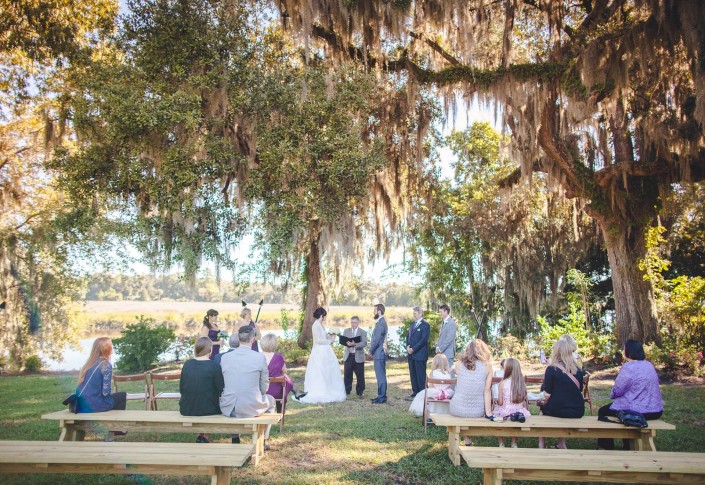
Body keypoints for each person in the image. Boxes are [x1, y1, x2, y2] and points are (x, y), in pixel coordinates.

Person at [597, 340, 663, 450]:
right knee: (624, 411)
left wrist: (613, 395)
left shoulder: (628, 367)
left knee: (604, 411)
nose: (623, 351)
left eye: (624, 349)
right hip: (655, 411)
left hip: (638, 411)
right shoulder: (649, 365)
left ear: (628, 352)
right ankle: (628, 445)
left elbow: (618, 389)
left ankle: (605, 447)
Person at [220, 326, 276, 449]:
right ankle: (264, 439)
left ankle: (235, 437)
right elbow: (264, 384)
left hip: (229, 406)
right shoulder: (259, 357)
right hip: (251, 406)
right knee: (271, 401)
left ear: (238, 338)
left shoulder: (224, 357)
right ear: (252, 339)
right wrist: (260, 394)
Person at [538, 339, 586, 449]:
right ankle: (561, 443)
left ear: (556, 352)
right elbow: (580, 390)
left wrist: (544, 402)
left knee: (542, 412)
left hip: (558, 408)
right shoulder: (578, 370)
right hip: (577, 410)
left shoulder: (551, 369)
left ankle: (541, 444)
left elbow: (547, 394)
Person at [179, 337, 225, 443]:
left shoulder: (187, 364)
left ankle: (201, 435)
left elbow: (182, 388)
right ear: (210, 349)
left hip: (187, 408)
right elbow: (221, 388)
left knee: (202, 401)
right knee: (210, 404)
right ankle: (205, 436)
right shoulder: (215, 366)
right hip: (210, 409)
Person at [298, 307, 347, 404]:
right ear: (321, 315)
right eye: (324, 315)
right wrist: (329, 341)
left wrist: (331, 336)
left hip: (324, 351)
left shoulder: (321, 324)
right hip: (319, 352)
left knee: (327, 371)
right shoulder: (315, 325)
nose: (325, 317)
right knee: (320, 371)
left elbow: (323, 337)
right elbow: (318, 340)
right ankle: (320, 391)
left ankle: (328, 388)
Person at [449, 339, 493, 445]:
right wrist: (488, 413)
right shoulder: (488, 366)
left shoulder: (459, 364)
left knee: (462, 398)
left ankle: (462, 439)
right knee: (470, 410)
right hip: (477, 411)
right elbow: (487, 390)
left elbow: (454, 372)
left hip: (457, 408)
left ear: (467, 350)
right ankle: (468, 439)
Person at [76, 337, 127, 414]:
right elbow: (105, 393)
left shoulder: (88, 364)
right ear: (107, 349)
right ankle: (115, 424)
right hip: (94, 406)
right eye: (111, 346)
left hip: (79, 405)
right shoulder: (106, 365)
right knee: (121, 396)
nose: (112, 350)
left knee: (114, 398)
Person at [492, 358, 531, 448]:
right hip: (519, 410)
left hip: (505, 410)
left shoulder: (502, 383)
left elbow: (501, 402)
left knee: (498, 418)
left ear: (507, 369)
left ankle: (501, 443)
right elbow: (524, 399)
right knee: (515, 424)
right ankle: (514, 443)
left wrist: (498, 403)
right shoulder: (522, 383)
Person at [259, 333, 307, 405]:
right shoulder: (279, 357)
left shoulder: (257, 357)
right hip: (275, 391)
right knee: (284, 377)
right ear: (275, 344)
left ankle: (296, 391)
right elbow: (284, 371)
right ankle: (296, 392)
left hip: (259, 390)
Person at [406, 306, 430, 401]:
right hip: (411, 354)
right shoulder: (412, 325)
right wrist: (408, 347)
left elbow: (423, 340)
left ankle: (422, 393)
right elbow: (408, 337)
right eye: (413, 313)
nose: (413, 315)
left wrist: (414, 349)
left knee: (420, 374)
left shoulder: (425, 325)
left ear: (420, 314)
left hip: (420, 354)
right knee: (413, 374)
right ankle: (415, 391)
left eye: (415, 313)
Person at [342, 316, 368, 397]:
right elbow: (343, 341)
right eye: (352, 322)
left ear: (358, 323)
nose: (353, 324)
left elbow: (364, 343)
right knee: (347, 375)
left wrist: (355, 344)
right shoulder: (346, 331)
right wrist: (347, 343)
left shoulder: (363, 332)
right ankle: (347, 390)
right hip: (348, 356)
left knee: (360, 375)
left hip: (358, 356)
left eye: (354, 322)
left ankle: (360, 391)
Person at [369, 303, 388, 404]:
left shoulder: (381, 323)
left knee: (380, 376)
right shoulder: (380, 322)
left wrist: (371, 350)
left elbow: (376, 340)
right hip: (379, 352)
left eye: (375, 310)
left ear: (379, 311)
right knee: (380, 375)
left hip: (379, 353)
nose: (373, 312)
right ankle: (380, 395)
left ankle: (382, 397)